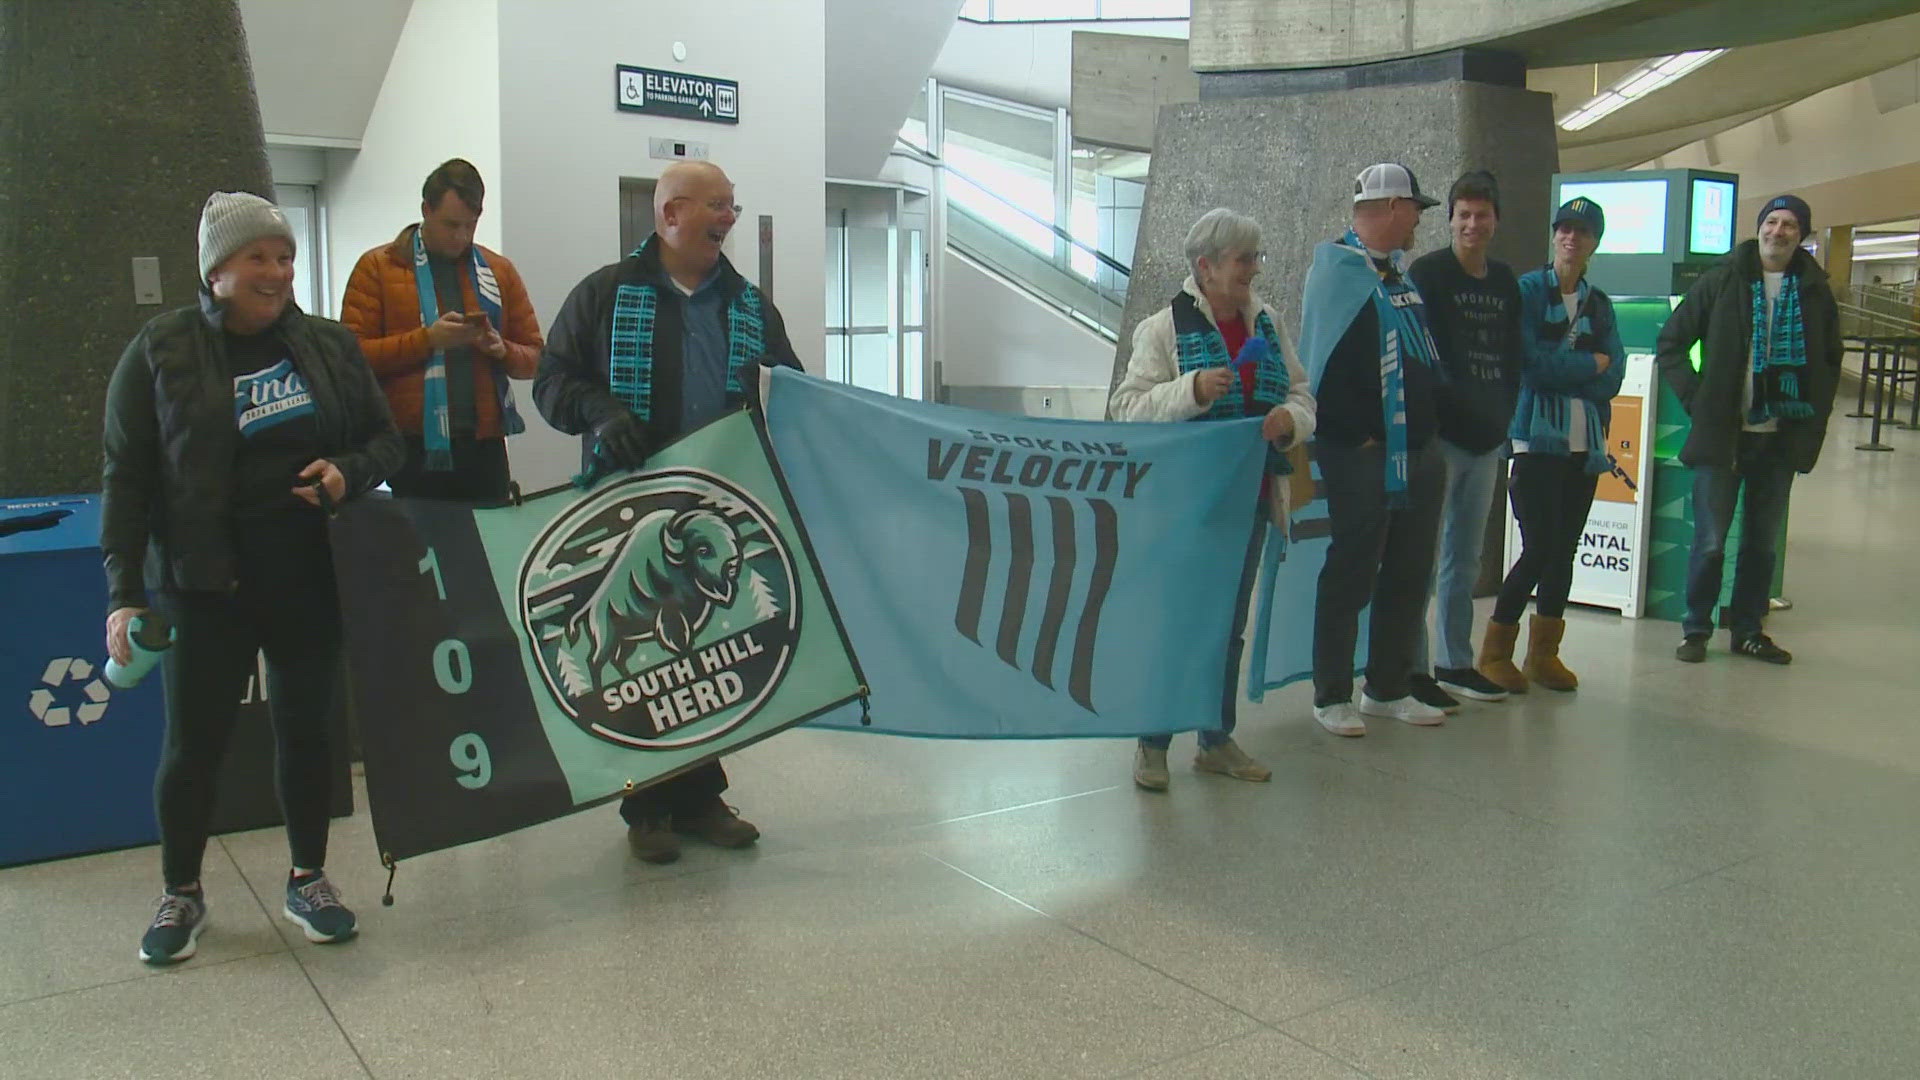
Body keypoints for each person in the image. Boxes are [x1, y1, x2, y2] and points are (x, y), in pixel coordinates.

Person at [101, 191, 403, 964]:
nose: (276, 272)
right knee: (193, 745)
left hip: (307, 574)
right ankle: (182, 892)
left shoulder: (330, 347)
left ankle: (309, 878)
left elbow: (383, 442)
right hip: (203, 584)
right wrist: (124, 594)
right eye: (257, 258)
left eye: (285, 257)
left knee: (307, 731)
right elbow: (126, 479)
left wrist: (346, 472)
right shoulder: (161, 349)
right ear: (215, 271)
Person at [533, 161, 801, 864]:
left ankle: (700, 794)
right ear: (670, 214)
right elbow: (551, 380)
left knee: (705, 659)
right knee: (637, 658)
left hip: (716, 515)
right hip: (629, 517)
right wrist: (601, 410)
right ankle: (646, 803)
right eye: (716, 206)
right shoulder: (604, 296)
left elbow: (792, 389)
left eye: (733, 207)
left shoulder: (747, 305)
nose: (729, 218)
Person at [1110, 207, 1317, 790]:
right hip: (1184, 507)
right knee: (1176, 623)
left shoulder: (1268, 323)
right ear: (1205, 267)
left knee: (1227, 626)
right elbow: (1128, 410)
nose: (1254, 269)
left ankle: (1215, 737)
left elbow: (1303, 394)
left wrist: (1290, 420)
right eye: (1243, 259)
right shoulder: (1161, 330)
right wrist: (1192, 389)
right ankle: (1152, 744)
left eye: (1256, 257)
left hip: (1248, 501)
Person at [1655, 194, 1840, 665]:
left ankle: (1748, 629)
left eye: (1790, 225)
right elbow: (1672, 343)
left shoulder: (1815, 291)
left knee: (1760, 543)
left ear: (1802, 236)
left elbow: (1829, 361)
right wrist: (1700, 400)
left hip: (1780, 438)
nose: (1779, 232)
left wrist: (1813, 414)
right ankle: (1696, 629)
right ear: (1759, 228)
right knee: (1712, 540)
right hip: (1724, 436)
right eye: (1772, 222)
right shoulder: (1722, 280)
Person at [1475, 197, 1623, 693]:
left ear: (1594, 242)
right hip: (1535, 440)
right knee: (1538, 547)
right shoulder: (1528, 292)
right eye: (1563, 228)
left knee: (1565, 551)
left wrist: (1585, 371)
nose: (1570, 238)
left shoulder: (1598, 302)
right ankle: (1494, 651)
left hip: (1585, 444)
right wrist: (1588, 366)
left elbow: (1615, 371)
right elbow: (1531, 365)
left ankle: (1544, 654)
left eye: (1581, 232)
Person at [340, 159, 541, 501]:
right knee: (418, 553)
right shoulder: (378, 267)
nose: (461, 236)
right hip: (411, 446)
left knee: (489, 553)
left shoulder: (498, 271)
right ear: (426, 210)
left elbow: (537, 358)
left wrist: (501, 349)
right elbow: (351, 360)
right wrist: (427, 340)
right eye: (451, 225)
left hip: (484, 446)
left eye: (470, 225)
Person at [1407, 171, 1524, 709]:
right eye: (1463, 214)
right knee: (1422, 556)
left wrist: (1501, 419)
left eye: (1482, 215)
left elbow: (1510, 357)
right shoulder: (1427, 274)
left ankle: (1455, 661)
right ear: (1450, 218)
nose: (1472, 224)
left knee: (1466, 557)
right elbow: (1421, 358)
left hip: (1487, 442)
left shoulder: (1504, 283)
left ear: (1496, 221)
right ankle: (1412, 667)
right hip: (1441, 440)